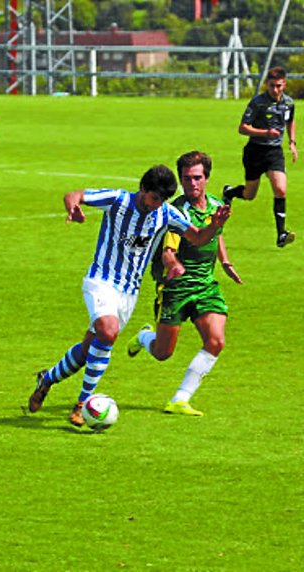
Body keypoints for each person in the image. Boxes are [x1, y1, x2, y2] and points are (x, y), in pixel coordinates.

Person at [27, 165, 231, 427]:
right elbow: (75, 194)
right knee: (108, 332)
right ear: (143, 189)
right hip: (101, 281)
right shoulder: (117, 200)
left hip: (128, 294)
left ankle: (47, 379)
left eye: (163, 200)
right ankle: (83, 403)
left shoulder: (166, 213)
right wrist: (73, 208)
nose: (158, 205)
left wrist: (215, 225)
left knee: (90, 349)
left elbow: (199, 237)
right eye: (155, 198)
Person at [127, 151, 242, 416]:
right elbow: (168, 251)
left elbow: (217, 234)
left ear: (207, 178)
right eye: (187, 178)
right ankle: (145, 337)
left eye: (197, 178)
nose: (192, 184)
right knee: (162, 352)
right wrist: (173, 264)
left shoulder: (215, 205)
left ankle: (180, 398)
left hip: (205, 285)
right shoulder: (175, 212)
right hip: (176, 287)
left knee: (216, 341)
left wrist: (225, 261)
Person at [223, 66, 298, 248]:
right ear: (267, 84)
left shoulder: (288, 103)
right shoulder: (258, 103)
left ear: (284, 85)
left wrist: (292, 142)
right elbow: (242, 127)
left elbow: (290, 120)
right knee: (250, 195)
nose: (275, 90)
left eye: (279, 86)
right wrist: (265, 132)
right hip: (255, 152)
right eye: (272, 86)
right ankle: (230, 192)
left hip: (274, 153)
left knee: (280, 190)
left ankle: (281, 234)